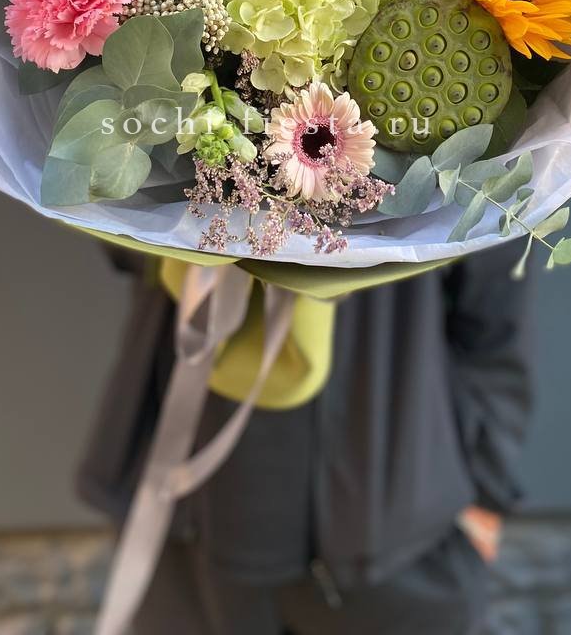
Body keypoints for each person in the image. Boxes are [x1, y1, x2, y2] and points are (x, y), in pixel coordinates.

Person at [78, 239, 534, 635]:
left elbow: (493, 309)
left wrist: (486, 492)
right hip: (193, 513)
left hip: (394, 518)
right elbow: (122, 242)